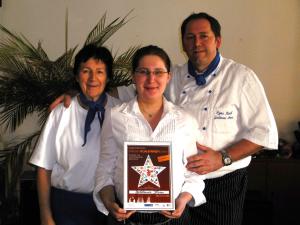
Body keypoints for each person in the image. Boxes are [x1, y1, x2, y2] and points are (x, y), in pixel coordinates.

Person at [49, 12, 278, 225]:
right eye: (190, 37)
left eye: (203, 36)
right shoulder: (174, 75)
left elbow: (263, 134)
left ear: (218, 40)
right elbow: (130, 91)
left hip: (222, 182)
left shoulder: (241, 77)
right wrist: (79, 91)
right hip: (176, 186)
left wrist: (222, 158)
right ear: (183, 43)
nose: (196, 43)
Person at [93, 45, 206, 225]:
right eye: (143, 71)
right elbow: (105, 167)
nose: (151, 79)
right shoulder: (115, 116)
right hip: (127, 218)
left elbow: (194, 172)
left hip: (172, 219)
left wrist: (183, 199)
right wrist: (108, 201)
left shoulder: (185, 120)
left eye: (159, 72)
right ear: (133, 76)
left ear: (168, 77)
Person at [29, 44, 120, 225]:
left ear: (108, 77)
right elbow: (43, 167)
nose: (93, 78)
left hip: (111, 207)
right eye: (86, 71)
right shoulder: (62, 112)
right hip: (67, 205)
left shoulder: (121, 111)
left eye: (100, 72)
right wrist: (45, 215)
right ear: (77, 76)